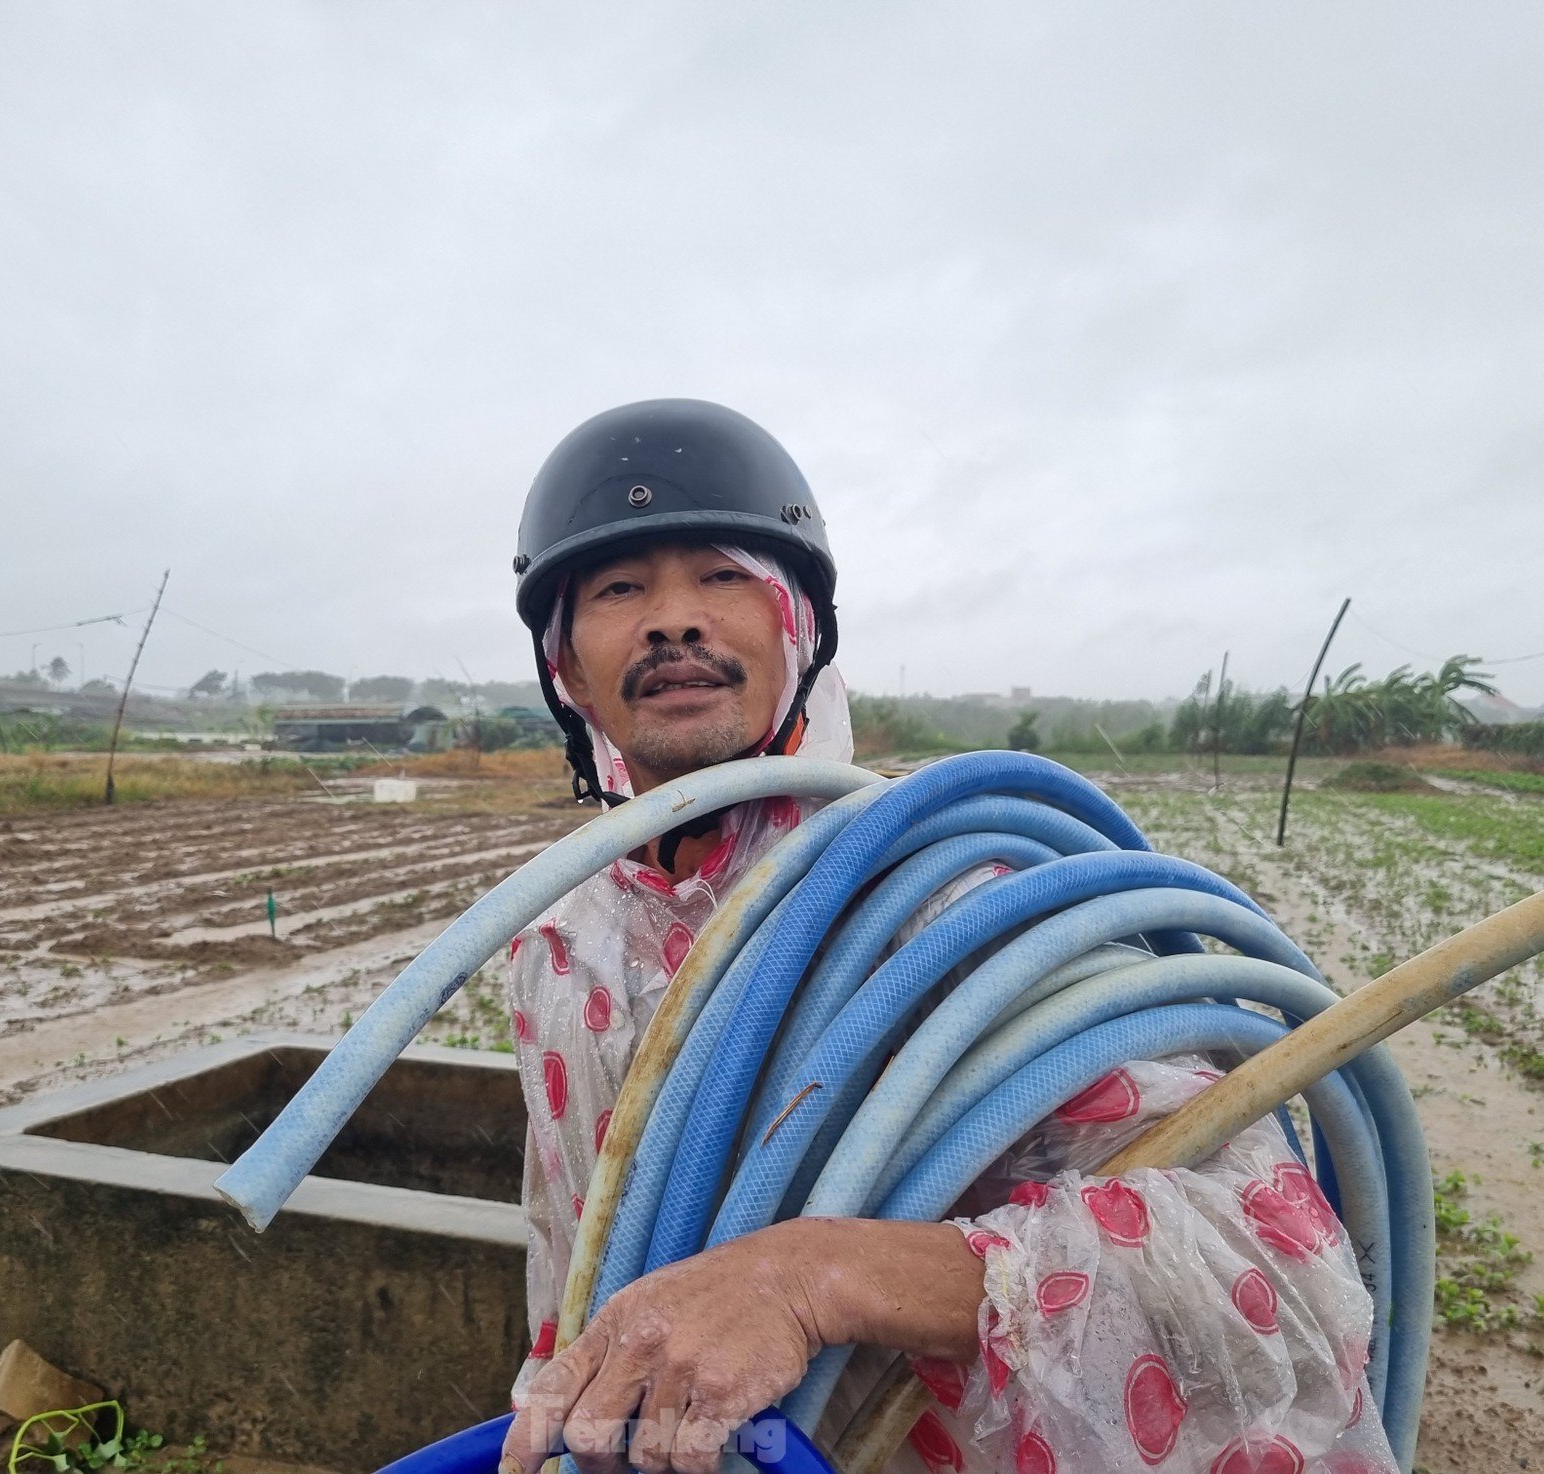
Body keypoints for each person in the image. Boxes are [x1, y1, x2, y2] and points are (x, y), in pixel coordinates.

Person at [499, 400, 1392, 1474]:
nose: (673, 619)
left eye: (724, 575)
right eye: (617, 588)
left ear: (798, 629)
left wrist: (814, 1279)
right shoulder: (559, 947)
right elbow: (577, 1273)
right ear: (567, 668)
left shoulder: (955, 907)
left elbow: (1271, 1273)